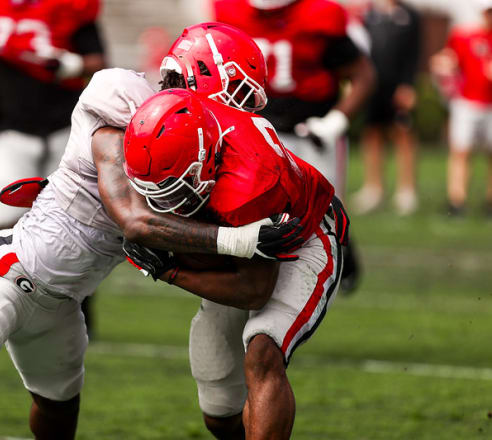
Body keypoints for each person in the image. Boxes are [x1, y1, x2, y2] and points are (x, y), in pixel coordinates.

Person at [0, 61, 306, 438]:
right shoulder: (118, 112)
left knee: (57, 414)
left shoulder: (186, 146)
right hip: (9, 273)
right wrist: (240, 239)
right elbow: (135, 222)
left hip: (63, 305)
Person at [122, 88, 348, 440]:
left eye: (174, 189)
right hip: (234, 235)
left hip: (303, 236)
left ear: (207, 160)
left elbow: (254, 290)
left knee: (263, 350)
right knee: (218, 410)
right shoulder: (176, 117)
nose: (164, 203)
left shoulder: (249, 185)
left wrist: (170, 271)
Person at [210, 0, 375, 293]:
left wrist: (335, 121)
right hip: (255, 131)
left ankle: (341, 255)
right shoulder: (230, 11)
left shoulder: (320, 16)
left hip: (312, 131)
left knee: (327, 211)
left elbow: (363, 75)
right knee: (249, 210)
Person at [0, 0, 107, 234]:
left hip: (65, 130)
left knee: (72, 226)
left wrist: (73, 63)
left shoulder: (70, 6)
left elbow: (99, 61)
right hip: (11, 127)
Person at [351, 0, 421, 216]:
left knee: (402, 134)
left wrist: (408, 84)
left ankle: (406, 190)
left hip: (398, 85)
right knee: (372, 134)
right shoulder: (367, 13)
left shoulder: (409, 15)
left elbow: (415, 53)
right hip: (372, 85)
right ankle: (373, 188)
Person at [431, 0, 492, 217]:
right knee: (461, 151)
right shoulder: (464, 36)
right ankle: (457, 199)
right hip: (467, 102)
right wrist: (442, 66)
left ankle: (489, 200)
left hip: (490, 104)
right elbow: (450, 61)